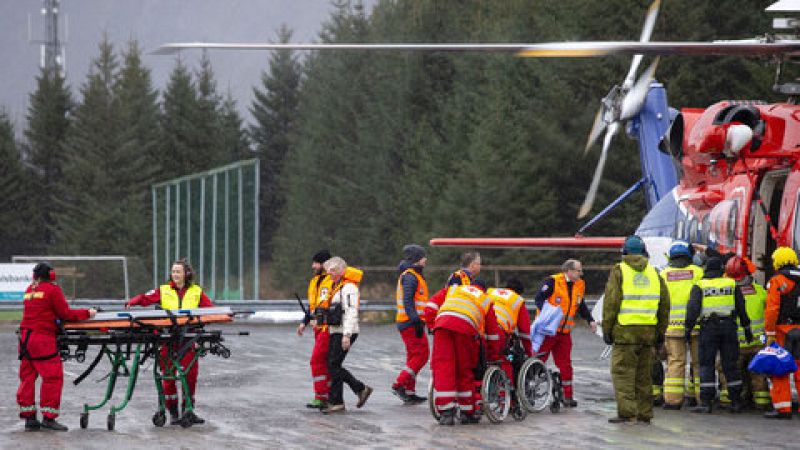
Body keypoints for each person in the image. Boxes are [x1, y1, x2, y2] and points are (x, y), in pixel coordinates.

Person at [125, 259, 214, 425]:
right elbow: (146, 298)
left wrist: (209, 319)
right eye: (173, 272)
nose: (175, 274)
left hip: (188, 339)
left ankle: (188, 409)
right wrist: (133, 302)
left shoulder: (196, 291)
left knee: (190, 375)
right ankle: (172, 411)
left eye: (178, 272)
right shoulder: (164, 290)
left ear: (186, 273)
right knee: (168, 375)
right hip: (167, 339)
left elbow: (210, 309)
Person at [17, 262, 97, 431]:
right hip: (42, 341)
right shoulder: (52, 290)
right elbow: (66, 314)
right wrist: (88, 313)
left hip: (25, 340)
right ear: (51, 275)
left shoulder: (30, 290)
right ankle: (49, 418)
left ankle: (29, 418)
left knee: (27, 378)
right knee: (53, 377)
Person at [603, 235, 670, 424]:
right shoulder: (654, 272)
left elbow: (611, 302)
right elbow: (664, 305)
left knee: (623, 374)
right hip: (647, 333)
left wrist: (607, 330)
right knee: (644, 376)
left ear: (624, 252)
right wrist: (659, 333)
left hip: (625, 333)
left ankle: (627, 414)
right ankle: (644, 414)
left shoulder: (619, 270)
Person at [684, 256, 751, 414]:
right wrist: (747, 328)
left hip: (709, 328)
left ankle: (706, 403)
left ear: (706, 269)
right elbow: (741, 308)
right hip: (729, 327)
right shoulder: (731, 284)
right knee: (730, 365)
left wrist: (688, 329)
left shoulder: (700, 285)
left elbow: (693, 309)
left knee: (706, 364)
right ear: (722, 270)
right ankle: (736, 401)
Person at [431, 280, 502, 425]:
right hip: (466, 329)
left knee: (443, 368)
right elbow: (493, 334)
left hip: (442, 326)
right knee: (464, 369)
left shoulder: (454, 289)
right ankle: (467, 411)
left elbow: (430, 308)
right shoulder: (485, 299)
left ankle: (446, 412)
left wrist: (432, 325)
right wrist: (493, 356)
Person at [533, 258, 597, 407]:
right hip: (547, 332)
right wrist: (548, 314)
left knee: (566, 365)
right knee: (537, 360)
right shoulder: (552, 281)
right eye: (578, 270)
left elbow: (581, 305)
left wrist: (590, 320)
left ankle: (567, 396)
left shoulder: (579, 285)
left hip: (564, 333)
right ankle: (529, 391)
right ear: (569, 270)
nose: (581, 273)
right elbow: (539, 299)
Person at [319, 257, 373, 414]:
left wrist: (347, 335)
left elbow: (351, 312)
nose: (330, 273)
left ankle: (340, 401)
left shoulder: (349, 288)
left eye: (334, 270)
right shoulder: (336, 286)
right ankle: (358, 390)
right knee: (332, 365)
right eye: (329, 270)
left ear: (343, 270)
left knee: (333, 365)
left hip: (345, 331)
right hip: (336, 331)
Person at [659, 240, 704, 410]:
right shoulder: (698, 272)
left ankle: (672, 400)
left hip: (672, 328)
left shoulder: (663, 275)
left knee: (676, 362)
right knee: (699, 363)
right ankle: (701, 398)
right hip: (697, 327)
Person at [724, 255, 769, 411]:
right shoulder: (760, 290)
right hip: (757, 342)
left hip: (736, 343)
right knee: (758, 374)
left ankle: (739, 399)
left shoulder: (727, 292)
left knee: (735, 372)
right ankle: (762, 403)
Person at [763, 247, 800, 419]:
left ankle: (783, 409)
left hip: (782, 331)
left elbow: (772, 309)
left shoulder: (777, 281)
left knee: (780, 370)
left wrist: (769, 332)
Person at [392, 244, 429, 404]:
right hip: (411, 323)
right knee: (422, 355)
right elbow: (408, 301)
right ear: (417, 259)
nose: (425, 260)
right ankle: (399, 384)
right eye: (423, 257)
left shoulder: (412, 275)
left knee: (413, 356)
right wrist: (416, 321)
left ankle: (409, 391)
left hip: (409, 322)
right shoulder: (410, 276)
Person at [296, 250, 334, 409]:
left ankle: (321, 396)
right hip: (317, 328)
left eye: (316, 263)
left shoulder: (333, 280)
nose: (313, 266)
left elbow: (331, 306)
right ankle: (329, 395)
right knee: (326, 363)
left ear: (324, 264)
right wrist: (304, 322)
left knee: (317, 360)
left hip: (328, 327)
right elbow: (313, 307)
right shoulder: (314, 282)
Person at [488, 277, 532, 381]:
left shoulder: (490, 291)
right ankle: (507, 391)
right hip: (499, 331)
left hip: (480, 328)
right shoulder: (517, 300)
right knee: (505, 359)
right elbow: (525, 332)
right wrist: (529, 352)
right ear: (519, 292)